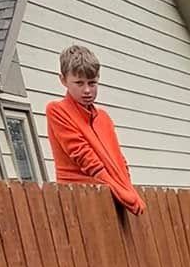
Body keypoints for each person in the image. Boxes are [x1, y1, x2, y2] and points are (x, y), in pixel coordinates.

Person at [45, 45, 145, 216]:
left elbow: (119, 159)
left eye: (92, 83)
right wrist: (117, 189)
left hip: (111, 197)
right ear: (63, 80)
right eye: (79, 83)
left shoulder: (104, 118)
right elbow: (82, 154)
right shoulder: (57, 110)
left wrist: (127, 187)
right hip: (78, 197)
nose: (87, 90)